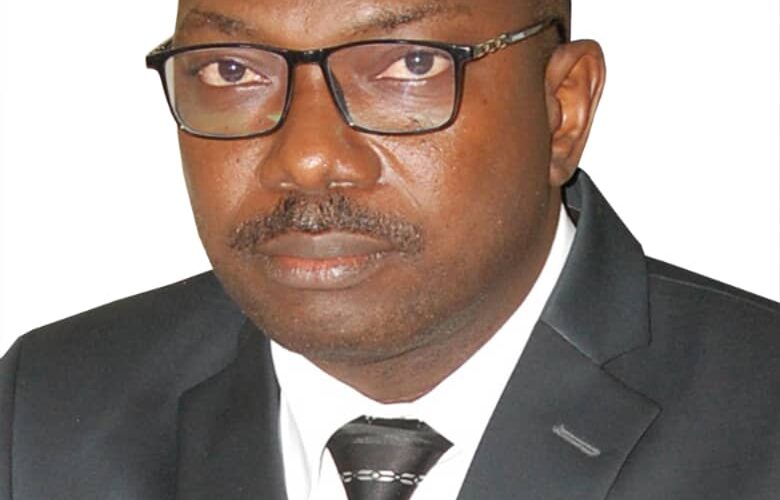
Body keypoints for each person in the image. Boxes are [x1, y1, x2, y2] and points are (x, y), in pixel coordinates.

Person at [1, 0, 778, 499]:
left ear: (562, 109)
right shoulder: (44, 413)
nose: (308, 158)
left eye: (410, 64)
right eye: (231, 69)